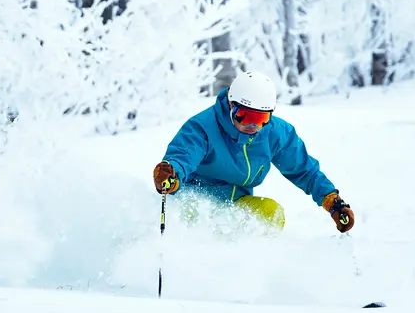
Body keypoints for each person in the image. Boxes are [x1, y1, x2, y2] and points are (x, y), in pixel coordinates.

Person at [152, 71, 354, 233]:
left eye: (261, 118)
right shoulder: (203, 127)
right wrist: (172, 173)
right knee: (196, 226)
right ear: (232, 105)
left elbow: (304, 171)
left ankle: (248, 267)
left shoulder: (275, 133)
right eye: (246, 116)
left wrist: (333, 202)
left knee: (272, 213)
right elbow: (183, 155)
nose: (253, 126)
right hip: (195, 202)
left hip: (236, 204)